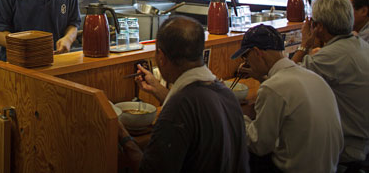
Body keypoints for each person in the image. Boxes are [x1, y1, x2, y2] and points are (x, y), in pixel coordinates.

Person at [118, 16, 249, 173]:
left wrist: (123, 136)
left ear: (161, 56)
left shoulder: (179, 107)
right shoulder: (226, 93)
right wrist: (156, 88)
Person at [231, 24, 343, 173]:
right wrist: (262, 78)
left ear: (257, 53)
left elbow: (258, 144)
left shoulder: (273, 88)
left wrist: (237, 114)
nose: (246, 62)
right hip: (330, 166)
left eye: (246, 56)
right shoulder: (312, 77)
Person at [291, 0, 369, 166]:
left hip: (349, 146)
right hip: (363, 139)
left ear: (318, 26)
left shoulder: (329, 57)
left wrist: (304, 44)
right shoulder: (360, 45)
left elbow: (285, 80)